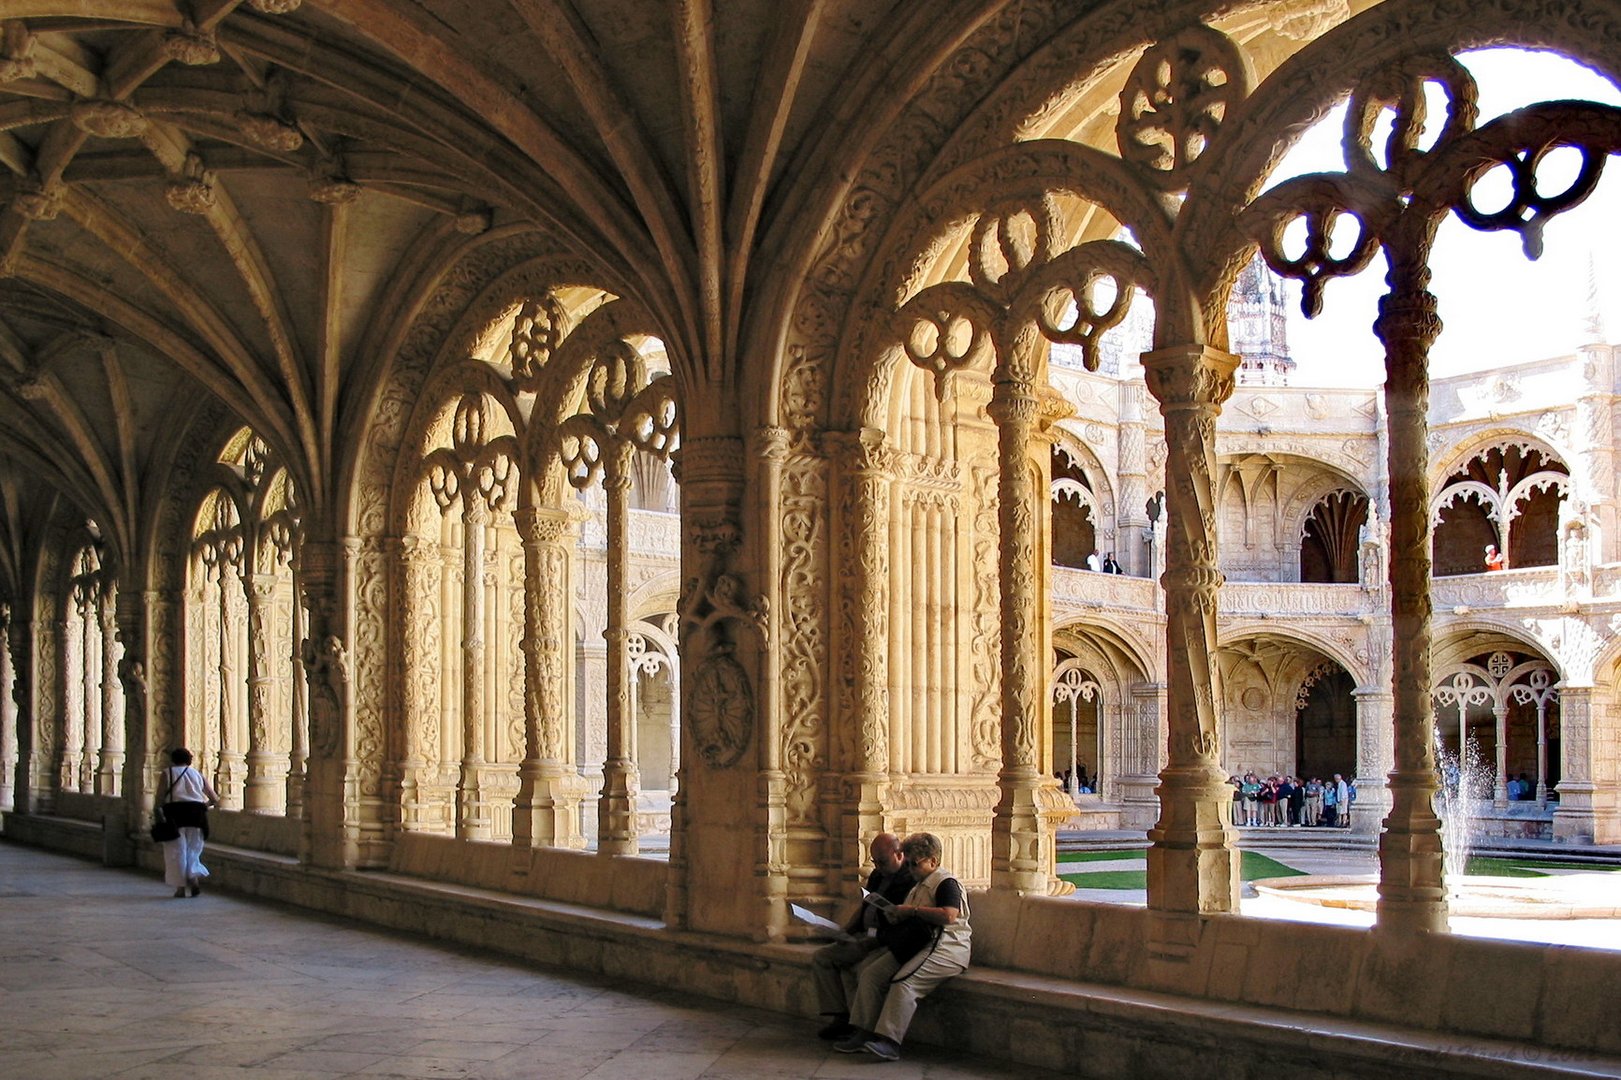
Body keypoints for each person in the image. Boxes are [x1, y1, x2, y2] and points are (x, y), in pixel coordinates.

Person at [835, 832, 970, 1062]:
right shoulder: (918, 886)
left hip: (946, 949)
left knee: (904, 983)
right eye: (907, 863)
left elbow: (949, 915)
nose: (909, 869)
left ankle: (890, 1041)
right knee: (871, 974)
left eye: (913, 864)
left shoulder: (946, 883)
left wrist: (912, 912)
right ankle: (863, 1031)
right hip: (915, 944)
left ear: (932, 861)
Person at [812, 832, 915, 1041]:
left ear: (899, 854)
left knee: (866, 972)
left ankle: (864, 1030)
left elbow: (906, 924)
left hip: (884, 942)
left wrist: (875, 940)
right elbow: (865, 906)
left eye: (883, 862)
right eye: (875, 862)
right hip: (862, 938)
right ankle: (840, 1017)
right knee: (822, 957)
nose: (878, 867)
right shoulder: (877, 875)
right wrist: (844, 932)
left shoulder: (910, 879)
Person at [159, 748, 220, 898]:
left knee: (176, 851)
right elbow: (215, 798)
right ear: (189, 760)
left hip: (174, 815)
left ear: (172, 759)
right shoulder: (197, 774)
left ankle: (180, 888)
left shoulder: (168, 773)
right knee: (193, 850)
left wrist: (158, 813)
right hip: (196, 816)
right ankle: (193, 879)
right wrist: (201, 806)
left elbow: (159, 797)